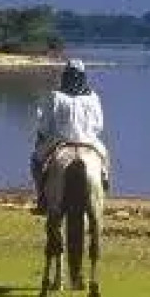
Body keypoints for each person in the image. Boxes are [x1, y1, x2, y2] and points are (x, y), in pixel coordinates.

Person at [29, 59, 109, 214]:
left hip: (59, 142)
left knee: (35, 161)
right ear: (83, 77)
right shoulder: (93, 97)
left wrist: (43, 135)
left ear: (65, 76)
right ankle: (103, 185)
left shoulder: (55, 96)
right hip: (89, 142)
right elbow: (99, 126)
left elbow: (45, 125)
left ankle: (42, 197)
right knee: (104, 159)